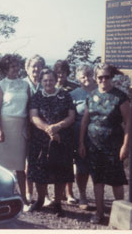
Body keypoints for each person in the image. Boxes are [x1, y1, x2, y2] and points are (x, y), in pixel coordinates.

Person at [78, 63, 130, 224]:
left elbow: (129, 123)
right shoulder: (91, 95)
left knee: (116, 181)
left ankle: (120, 216)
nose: (103, 80)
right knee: (97, 180)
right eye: (100, 77)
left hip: (114, 144)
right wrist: (81, 143)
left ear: (111, 77)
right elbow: (85, 121)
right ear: (96, 78)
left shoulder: (120, 97)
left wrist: (125, 146)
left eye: (106, 76)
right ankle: (99, 214)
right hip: (93, 145)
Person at [28, 69, 75, 217]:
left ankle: (57, 203)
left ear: (56, 80)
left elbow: (71, 116)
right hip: (40, 140)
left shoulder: (65, 95)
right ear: (41, 82)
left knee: (60, 171)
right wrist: (49, 130)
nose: (48, 83)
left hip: (62, 139)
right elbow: (33, 117)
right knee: (40, 171)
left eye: (51, 80)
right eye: (45, 80)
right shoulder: (36, 97)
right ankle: (40, 200)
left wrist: (57, 127)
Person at [0, 54, 30, 206]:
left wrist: (27, 127)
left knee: (20, 165)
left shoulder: (25, 85)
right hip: (4, 126)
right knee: (1, 164)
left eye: (16, 65)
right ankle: (1, 195)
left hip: (20, 127)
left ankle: (24, 197)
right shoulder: (0, 85)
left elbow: (28, 107)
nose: (15, 68)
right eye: (11, 66)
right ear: (5, 69)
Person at [23, 55, 54, 207]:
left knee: (43, 161)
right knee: (28, 161)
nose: (36, 69)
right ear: (27, 68)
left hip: (41, 128)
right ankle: (28, 193)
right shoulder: (21, 84)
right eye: (33, 66)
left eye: (39, 66)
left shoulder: (45, 84)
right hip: (24, 126)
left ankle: (45, 194)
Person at [69, 64, 97, 210]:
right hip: (80, 135)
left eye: (88, 75)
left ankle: (99, 197)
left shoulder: (101, 91)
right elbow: (71, 117)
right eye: (82, 76)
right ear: (78, 79)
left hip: (98, 135)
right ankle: (82, 195)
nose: (86, 79)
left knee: (98, 167)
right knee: (82, 167)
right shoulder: (74, 94)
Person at [53, 59, 79, 205]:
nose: (60, 76)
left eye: (63, 73)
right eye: (58, 73)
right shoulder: (49, 86)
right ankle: (59, 193)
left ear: (67, 73)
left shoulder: (74, 88)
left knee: (69, 162)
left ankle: (69, 192)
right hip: (54, 129)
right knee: (56, 162)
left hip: (69, 128)